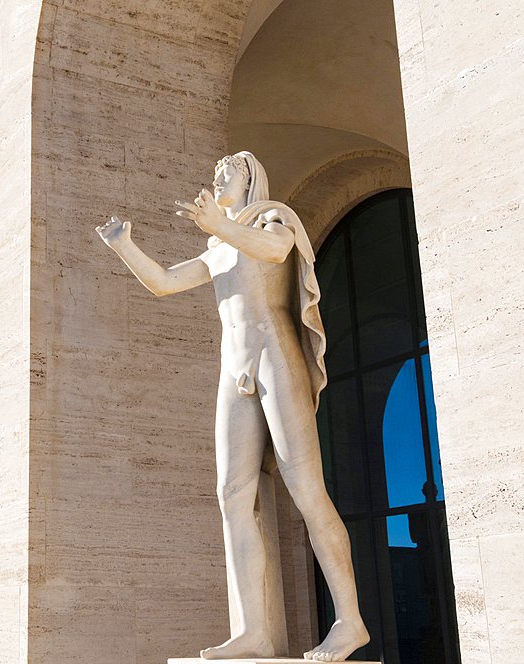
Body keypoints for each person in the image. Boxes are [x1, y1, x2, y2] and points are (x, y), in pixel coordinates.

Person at [96, 152, 369, 662]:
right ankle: (253, 630)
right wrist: (124, 246)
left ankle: (350, 622)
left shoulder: (272, 217)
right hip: (234, 370)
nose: (217, 174)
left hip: (276, 357)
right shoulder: (217, 247)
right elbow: (164, 282)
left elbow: (273, 250)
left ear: (251, 179)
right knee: (231, 495)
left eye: (229, 168)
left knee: (308, 492)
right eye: (215, 169)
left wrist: (222, 223)